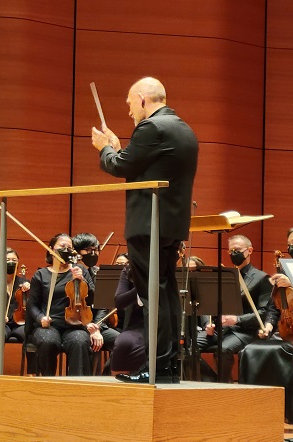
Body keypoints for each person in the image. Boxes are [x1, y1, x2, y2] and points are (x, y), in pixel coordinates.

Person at [91, 76, 198, 383]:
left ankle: (156, 367)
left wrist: (104, 149)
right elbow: (141, 162)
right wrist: (117, 147)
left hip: (148, 224)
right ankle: (166, 366)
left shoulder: (151, 127)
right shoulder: (183, 128)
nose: (129, 112)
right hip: (171, 224)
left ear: (142, 99)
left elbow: (121, 166)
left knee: (153, 295)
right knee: (165, 293)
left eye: (129, 104)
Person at [239, 225, 293, 424]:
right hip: (289, 330)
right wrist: (269, 325)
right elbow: (274, 306)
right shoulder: (284, 268)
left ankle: (285, 411)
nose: (291, 248)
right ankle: (255, 409)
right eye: (289, 244)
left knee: (282, 352)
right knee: (250, 350)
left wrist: (292, 284)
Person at [197, 235, 273, 382]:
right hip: (220, 329)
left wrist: (237, 320)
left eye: (237, 250)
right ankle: (213, 381)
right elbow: (209, 303)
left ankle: (223, 387)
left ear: (249, 250)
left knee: (223, 350)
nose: (233, 254)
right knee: (188, 346)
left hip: (244, 331)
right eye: (230, 251)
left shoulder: (262, 278)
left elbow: (263, 313)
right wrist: (208, 323)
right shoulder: (225, 275)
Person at [27, 233, 95, 376]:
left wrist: (83, 280)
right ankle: (49, 385)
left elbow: (92, 299)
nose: (66, 249)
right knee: (47, 341)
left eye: (69, 247)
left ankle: (77, 387)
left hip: (75, 324)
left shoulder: (80, 270)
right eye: (62, 246)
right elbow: (32, 305)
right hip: (49, 325)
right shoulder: (41, 275)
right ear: (52, 249)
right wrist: (40, 318)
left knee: (80, 341)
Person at [72, 233, 119, 359]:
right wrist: (88, 326)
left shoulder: (99, 272)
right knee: (85, 344)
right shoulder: (71, 273)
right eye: (88, 250)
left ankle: (105, 377)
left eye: (96, 249)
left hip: (97, 323)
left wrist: (97, 326)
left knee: (122, 343)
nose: (93, 253)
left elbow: (103, 304)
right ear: (77, 252)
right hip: (78, 324)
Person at [0, 247, 30, 374]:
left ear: (18, 263)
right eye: (8, 260)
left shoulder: (24, 284)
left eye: (14, 260)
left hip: (19, 323)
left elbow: (32, 305)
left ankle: (32, 371)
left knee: (30, 333)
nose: (11, 262)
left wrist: (30, 291)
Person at [111, 264, 146, 377]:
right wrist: (141, 287)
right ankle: (119, 389)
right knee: (122, 343)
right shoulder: (129, 270)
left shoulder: (167, 270)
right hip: (136, 326)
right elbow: (119, 302)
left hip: (164, 326)